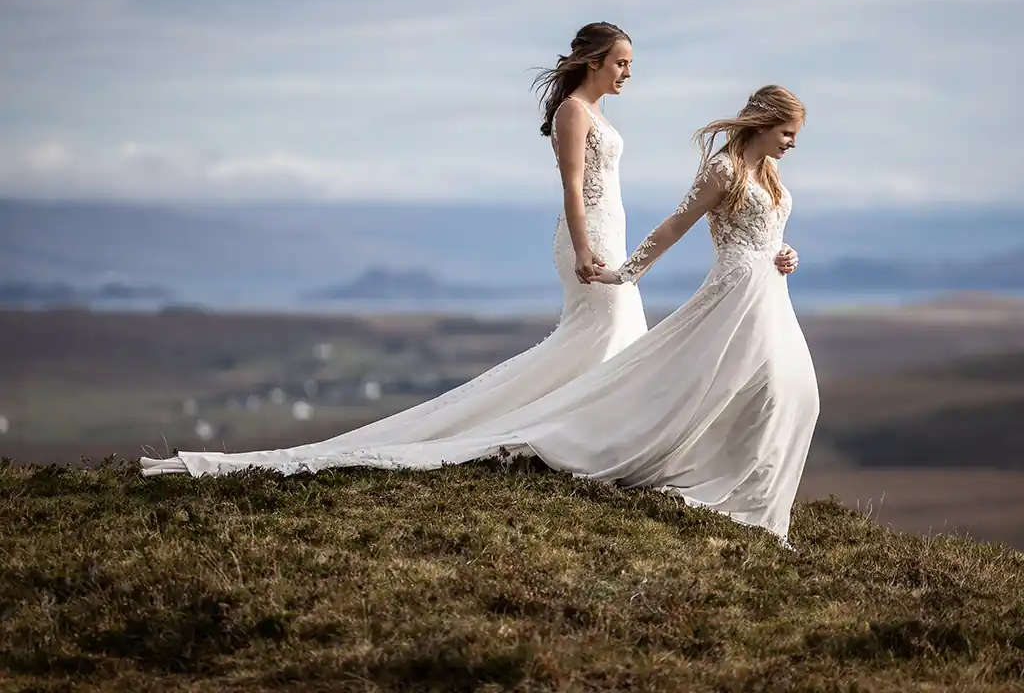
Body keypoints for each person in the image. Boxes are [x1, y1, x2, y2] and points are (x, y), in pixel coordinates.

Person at [142, 84, 819, 544]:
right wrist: (627, 270)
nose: (791, 145)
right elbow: (677, 225)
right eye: (787, 133)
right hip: (732, 298)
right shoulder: (725, 170)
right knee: (735, 388)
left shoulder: (770, 178)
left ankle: (756, 501)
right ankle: (737, 499)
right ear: (764, 122)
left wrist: (782, 253)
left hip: (767, 293)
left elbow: (764, 234)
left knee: (794, 395)